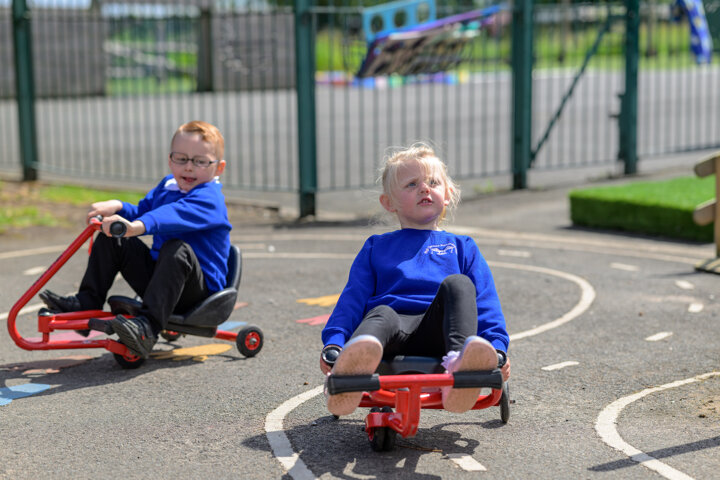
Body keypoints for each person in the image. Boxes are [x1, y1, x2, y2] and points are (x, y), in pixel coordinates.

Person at [320, 142, 510, 416]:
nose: (424, 189)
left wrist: (497, 348)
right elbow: (352, 300)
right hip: (389, 334)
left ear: (447, 194)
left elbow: (486, 301)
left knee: (458, 284)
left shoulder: (462, 247)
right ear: (389, 202)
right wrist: (335, 343)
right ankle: (351, 372)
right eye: (411, 184)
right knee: (381, 312)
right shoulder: (376, 247)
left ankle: (459, 369)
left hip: (442, 334)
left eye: (433, 182)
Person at [39, 120, 232, 358]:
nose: (189, 167)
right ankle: (87, 301)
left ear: (218, 168)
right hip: (160, 283)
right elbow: (143, 211)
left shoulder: (210, 199)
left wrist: (137, 227)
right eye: (181, 158)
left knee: (177, 248)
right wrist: (118, 207)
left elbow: (171, 215)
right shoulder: (168, 186)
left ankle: (146, 328)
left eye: (200, 161)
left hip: (196, 295)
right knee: (113, 238)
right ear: (170, 160)